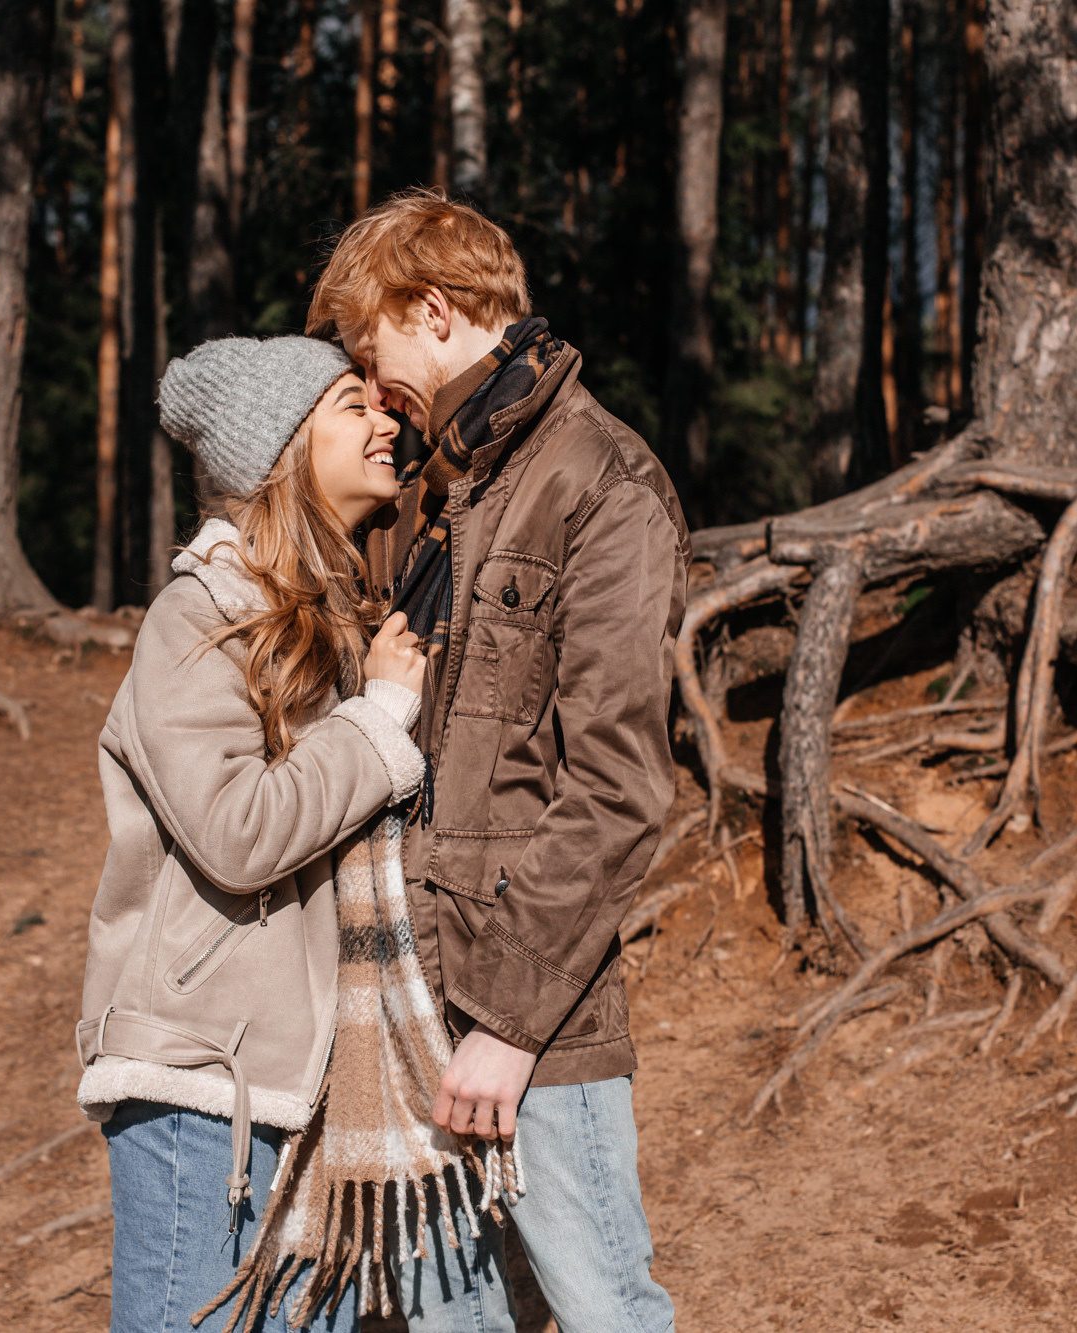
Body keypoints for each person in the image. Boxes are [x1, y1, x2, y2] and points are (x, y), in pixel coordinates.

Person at [306, 190, 688, 1333]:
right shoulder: (431, 488)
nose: (373, 390)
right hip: (400, 994)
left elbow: (618, 789)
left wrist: (511, 1025)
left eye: (370, 353)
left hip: (529, 1015)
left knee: (604, 1310)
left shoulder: (600, 481)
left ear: (431, 311)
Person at [73, 335, 433, 1333]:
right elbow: (236, 833)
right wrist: (377, 722)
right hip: (201, 1080)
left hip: (304, 1077)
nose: (387, 422)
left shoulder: (326, 621)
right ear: (278, 452)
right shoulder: (196, 619)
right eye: (350, 408)